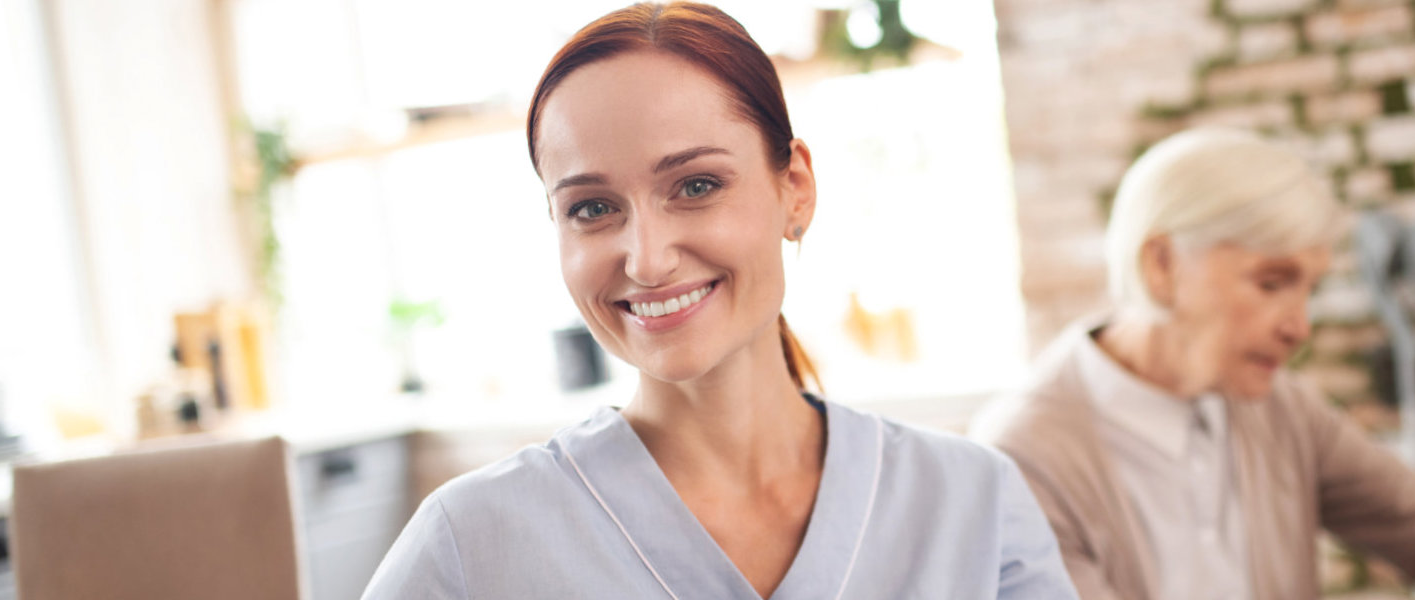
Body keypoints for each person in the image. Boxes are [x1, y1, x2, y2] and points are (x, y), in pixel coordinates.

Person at [361, 3, 1076, 599]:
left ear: (794, 187)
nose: (646, 258)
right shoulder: (472, 543)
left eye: (696, 186)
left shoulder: (973, 508)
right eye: (593, 208)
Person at [971, 128, 1415, 600]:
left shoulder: (1276, 407)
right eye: (1271, 282)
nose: (1301, 325)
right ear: (1161, 265)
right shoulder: (1022, 455)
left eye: (1309, 287)